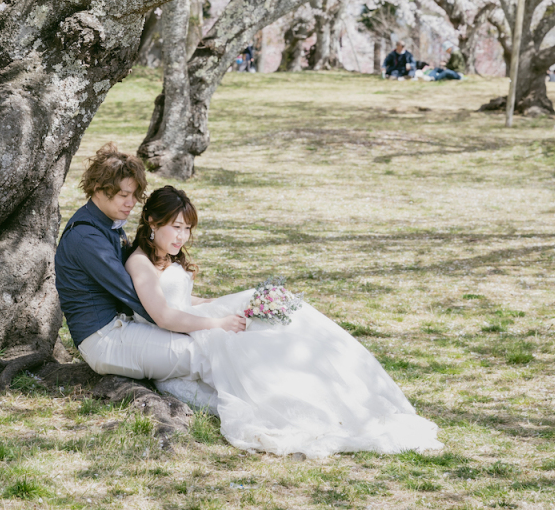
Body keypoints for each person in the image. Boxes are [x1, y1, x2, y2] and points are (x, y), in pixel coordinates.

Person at [125, 185, 442, 458]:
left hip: (195, 320)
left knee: (283, 322)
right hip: (187, 333)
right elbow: (164, 315)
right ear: (152, 221)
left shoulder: (166, 255)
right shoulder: (140, 263)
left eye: (187, 229)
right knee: (258, 350)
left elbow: (177, 299)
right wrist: (217, 322)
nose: (183, 236)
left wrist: (214, 303)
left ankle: (343, 390)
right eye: (176, 227)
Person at [54, 143, 244, 385]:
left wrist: (209, 305)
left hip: (123, 327)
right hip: (104, 339)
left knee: (213, 344)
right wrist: (210, 324)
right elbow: (142, 302)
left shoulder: (107, 224)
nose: (131, 202)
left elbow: (152, 294)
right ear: (98, 189)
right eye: (123, 195)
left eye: (134, 195)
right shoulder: (87, 238)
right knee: (205, 352)